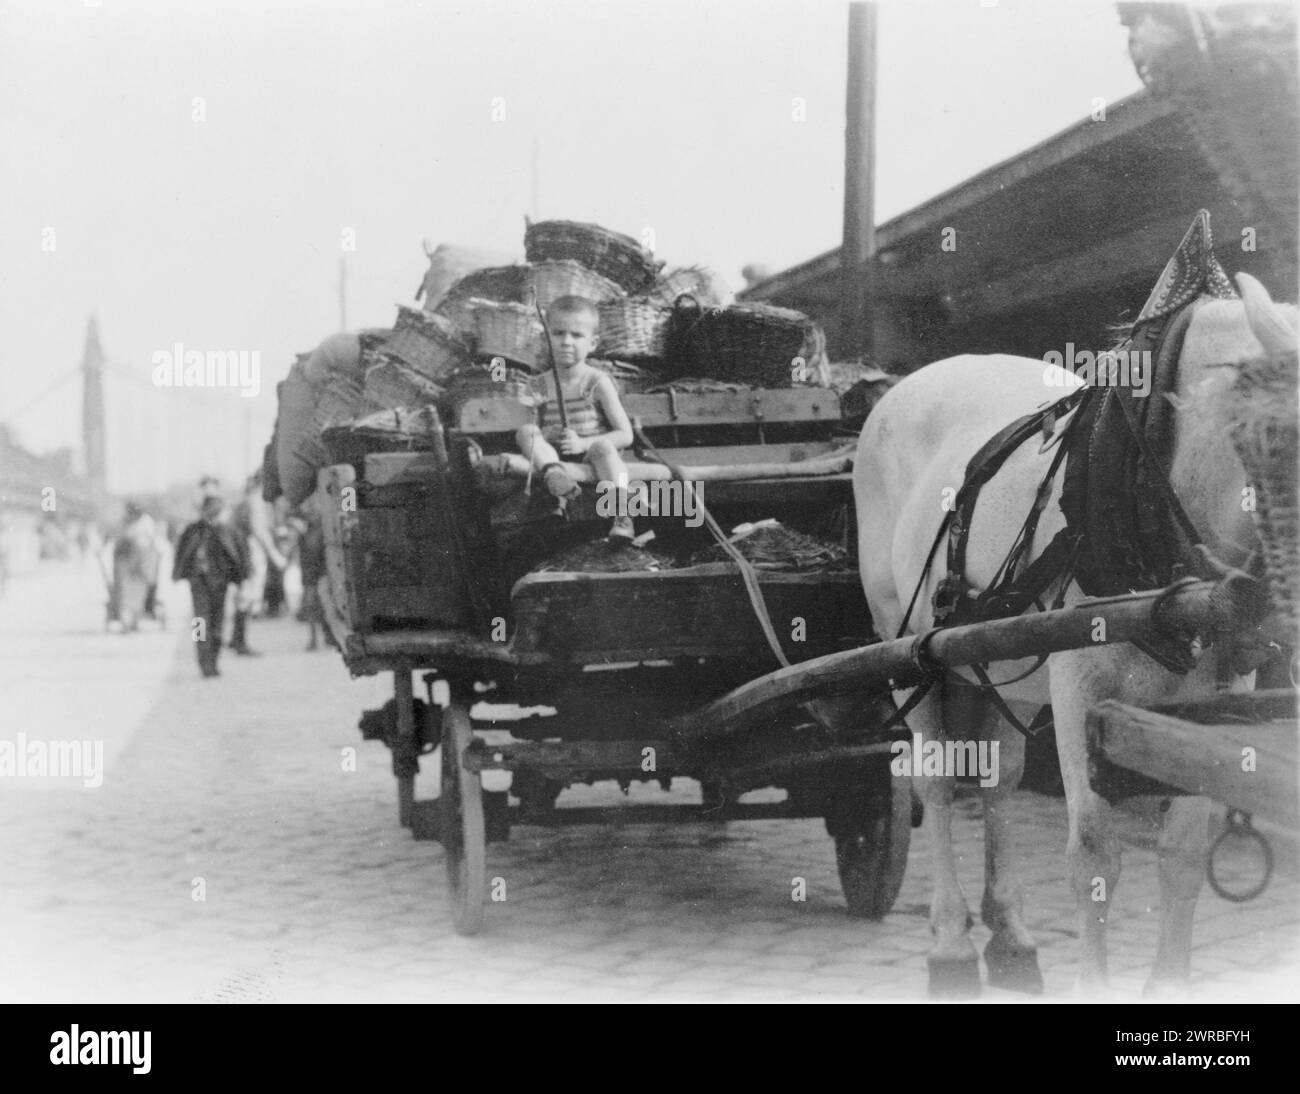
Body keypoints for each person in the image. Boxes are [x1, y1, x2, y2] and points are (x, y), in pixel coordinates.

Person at [514, 295, 638, 542]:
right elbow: (536, 429)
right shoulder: (538, 384)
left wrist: (583, 444)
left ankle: (622, 514)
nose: (566, 342)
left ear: (593, 343)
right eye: (558, 333)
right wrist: (547, 435)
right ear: (545, 338)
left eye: (577, 335)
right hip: (554, 456)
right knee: (525, 431)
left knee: (604, 446)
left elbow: (625, 434)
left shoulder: (597, 382)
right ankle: (554, 475)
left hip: (592, 455)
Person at [173, 495, 249, 678]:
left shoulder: (227, 531)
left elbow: (239, 555)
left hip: (219, 583)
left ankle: (213, 660)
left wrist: (240, 580)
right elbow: (182, 553)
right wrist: (180, 574)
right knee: (199, 623)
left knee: (217, 623)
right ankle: (203, 661)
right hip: (198, 582)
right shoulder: (192, 530)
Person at [229, 470, 287, 656]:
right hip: (252, 552)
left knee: (243, 595)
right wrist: (275, 556)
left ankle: (235, 639)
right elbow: (259, 530)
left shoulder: (245, 500)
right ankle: (240, 643)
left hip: (241, 552)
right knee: (248, 596)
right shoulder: (256, 501)